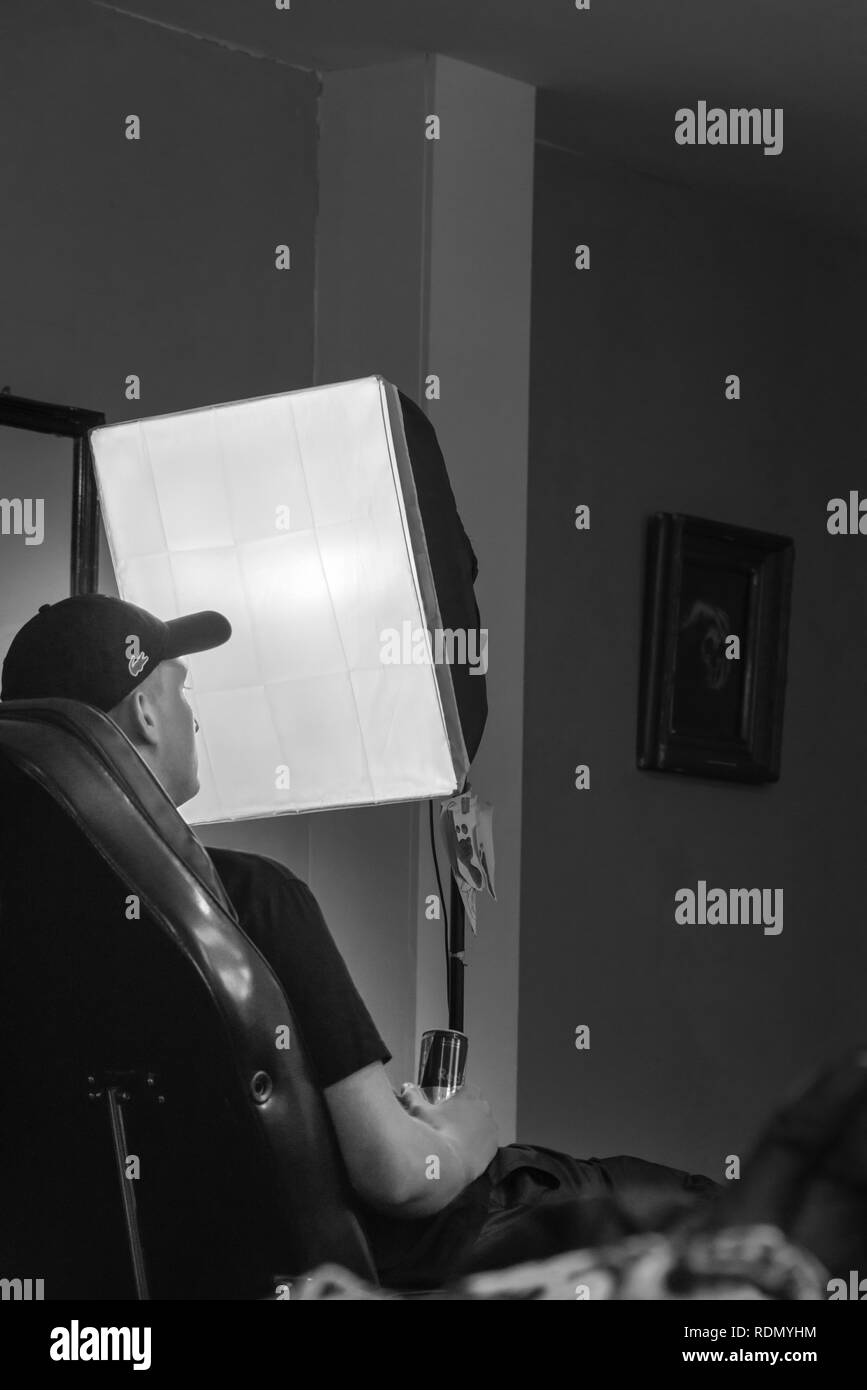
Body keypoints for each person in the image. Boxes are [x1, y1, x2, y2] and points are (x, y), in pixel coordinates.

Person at [0, 593, 720, 1291]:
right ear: (147, 714)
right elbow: (401, 1178)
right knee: (703, 1212)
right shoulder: (250, 899)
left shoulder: (28, 931)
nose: (197, 718)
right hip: (421, 1249)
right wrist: (466, 1133)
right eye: (182, 689)